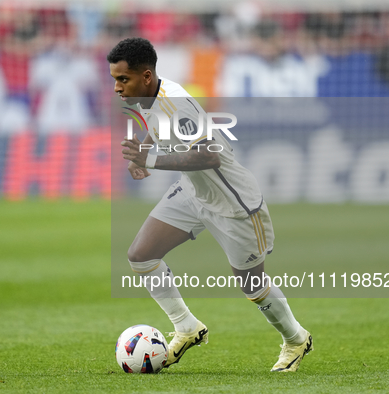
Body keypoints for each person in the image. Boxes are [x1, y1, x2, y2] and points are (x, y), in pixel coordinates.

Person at [107, 37, 313, 372]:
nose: (117, 87)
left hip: (235, 203)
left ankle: (296, 339)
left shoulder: (176, 102)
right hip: (193, 192)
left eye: (122, 79)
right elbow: (160, 126)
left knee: (253, 284)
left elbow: (209, 155)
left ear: (145, 76)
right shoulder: (152, 95)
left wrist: (152, 158)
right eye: (115, 79)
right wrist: (144, 153)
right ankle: (186, 327)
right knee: (141, 256)